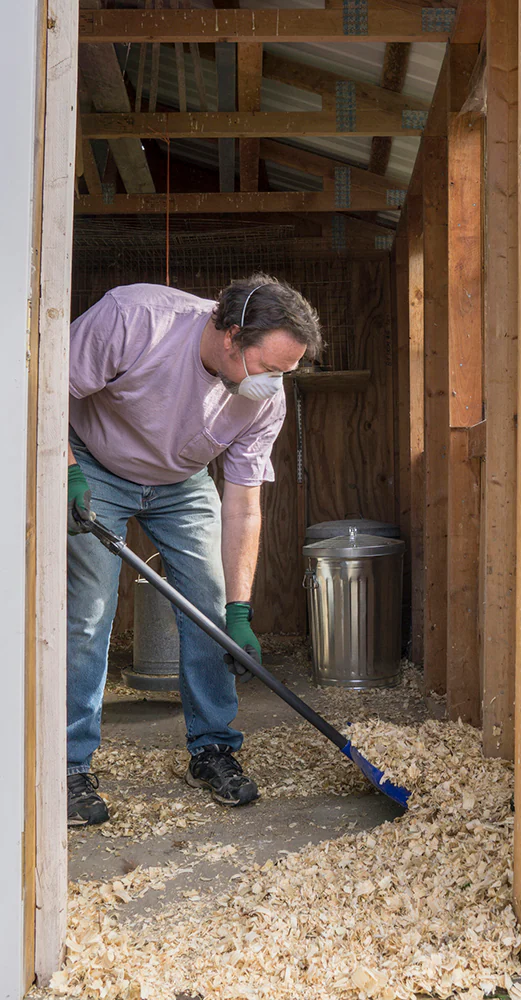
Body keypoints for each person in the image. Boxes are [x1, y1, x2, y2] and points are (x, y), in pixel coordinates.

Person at [66, 274, 323, 826]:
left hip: (181, 481)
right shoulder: (136, 317)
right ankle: (70, 765)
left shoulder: (263, 402)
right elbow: (43, 387)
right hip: (93, 462)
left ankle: (212, 749)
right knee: (89, 613)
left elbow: (243, 505)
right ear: (231, 336)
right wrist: (65, 473)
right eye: (270, 368)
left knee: (207, 606)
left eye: (287, 372)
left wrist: (239, 609)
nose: (276, 384)